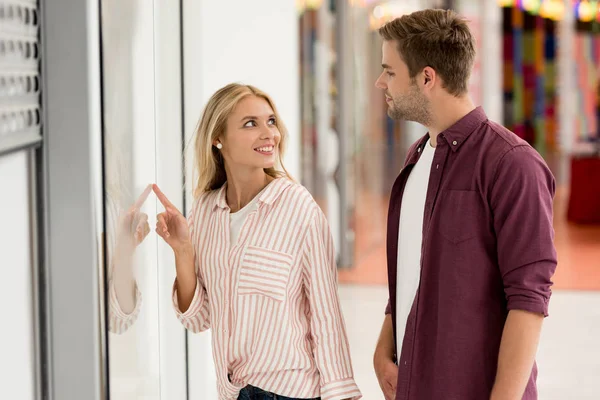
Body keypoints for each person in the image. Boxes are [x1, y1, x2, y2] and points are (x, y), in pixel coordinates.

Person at [372, 9, 557, 400]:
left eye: (389, 71)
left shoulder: (512, 164)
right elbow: (413, 268)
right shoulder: (416, 157)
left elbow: (529, 303)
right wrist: (385, 342)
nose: (380, 82)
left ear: (427, 78)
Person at [153, 83, 361, 400]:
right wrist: (183, 251)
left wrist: (341, 394)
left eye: (271, 121)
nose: (269, 134)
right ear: (217, 138)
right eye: (251, 123)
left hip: (291, 392)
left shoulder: (299, 208)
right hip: (233, 392)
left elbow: (326, 314)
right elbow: (198, 319)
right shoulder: (205, 212)